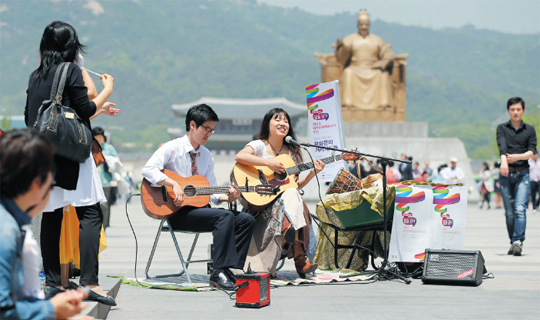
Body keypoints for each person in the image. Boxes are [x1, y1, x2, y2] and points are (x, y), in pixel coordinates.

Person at [24, 21, 116, 305]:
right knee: (89, 213)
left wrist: (96, 108)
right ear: (71, 47)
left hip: (45, 156)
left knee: (52, 216)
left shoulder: (36, 75)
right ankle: (90, 282)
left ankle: (53, 283)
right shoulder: (71, 70)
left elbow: (35, 118)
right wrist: (107, 91)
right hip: (74, 157)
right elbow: (85, 110)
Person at [141, 104, 255, 290]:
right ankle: (218, 272)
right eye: (206, 129)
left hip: (202, 211)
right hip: (177, 212)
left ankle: (228, 270)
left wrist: (229, 197)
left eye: (212, 130)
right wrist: (173, 184)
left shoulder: (207, 156)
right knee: (224, 217)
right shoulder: (172, 148)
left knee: (246, 219)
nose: (209, 134)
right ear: (192, 125)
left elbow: (211, 190)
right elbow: (148, 169)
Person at [0, 129, 94, 320]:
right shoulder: (5, 231)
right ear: (37, 183)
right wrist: (51, 309)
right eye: (51, 184)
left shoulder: (13, 224)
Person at [235, 108, 325, 278]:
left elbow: (293, 185)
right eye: (277, 119)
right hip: (260, 202)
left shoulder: (292, 152)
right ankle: (301, 260)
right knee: (293, 198)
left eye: (285, 120)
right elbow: (240, 157)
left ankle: (287, 230)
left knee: (292, 194)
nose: (283, 123)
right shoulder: (259, 145)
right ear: (267, 124)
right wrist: (269, 164)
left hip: (285, 199)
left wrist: (313, 173)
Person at [496, 97, 537, 256]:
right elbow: (502, 146)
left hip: (523, 174)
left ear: (523, 111)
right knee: (509, 212)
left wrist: (518, 156)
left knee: (520, 209)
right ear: (508, 111)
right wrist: (504, 162)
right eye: (512, 109)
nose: (515, 112)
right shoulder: (502, 128)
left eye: (518, 109)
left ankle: (518, 241)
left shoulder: (530, 130)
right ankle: (513, 241)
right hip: (506, 175)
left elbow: (532, 151)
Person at [336, 10, 395, 110]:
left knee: (383, 75)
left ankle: (384, 105)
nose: (364, 27)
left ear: (369, 25)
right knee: (347, 72)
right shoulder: (350, 39)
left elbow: (387, 55)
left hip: (373, 69)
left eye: (366, 24)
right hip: (355, 68)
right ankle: (347, 104)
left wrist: (383, 63)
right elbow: (342, 59)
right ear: (357, 25)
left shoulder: (377, 40)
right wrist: (341, 48)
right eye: (361, 24)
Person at [92, 126, 120, 229]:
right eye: (96, 137)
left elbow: (117, 160)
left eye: (100, 137)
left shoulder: (109, 148)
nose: (98, 139)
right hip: (93, 182)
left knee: (104, 205)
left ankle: (104, 227)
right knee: (94, 205)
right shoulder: (90, 147)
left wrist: (108, 159)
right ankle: (96, 226)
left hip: (105, 181)